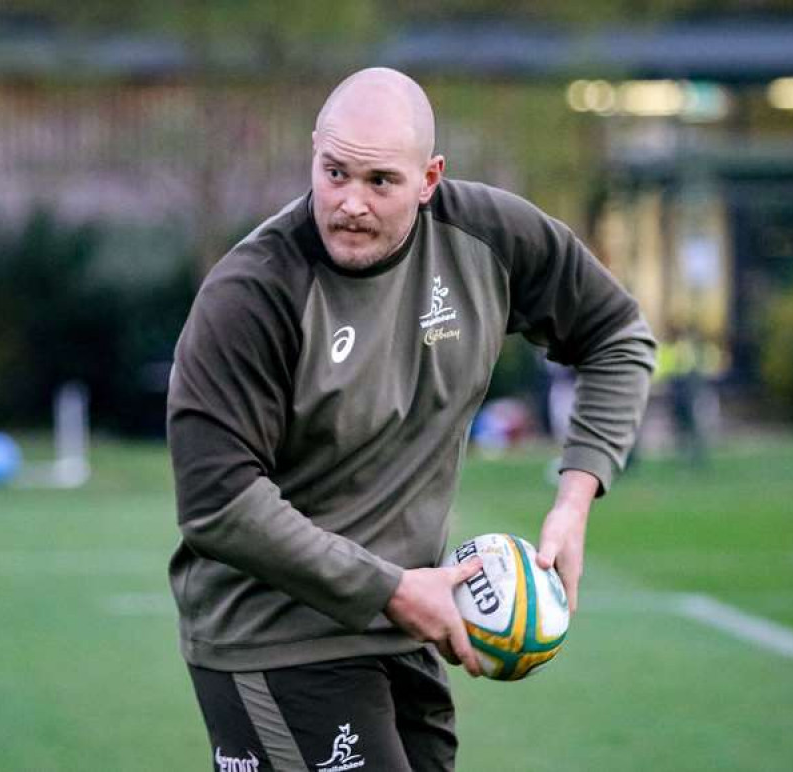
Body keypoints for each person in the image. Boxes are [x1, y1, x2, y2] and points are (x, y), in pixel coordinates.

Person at [167, 67, 656, 772]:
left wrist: (575, 499)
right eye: (334, 172)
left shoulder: (486, 238)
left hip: (399, 632)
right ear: (313, 152)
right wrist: (391, 589)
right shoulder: (253, 294)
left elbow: (617, 334)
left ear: (429, 178)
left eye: (380, 182)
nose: (350, 203)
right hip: (274, 637)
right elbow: (217, 503)